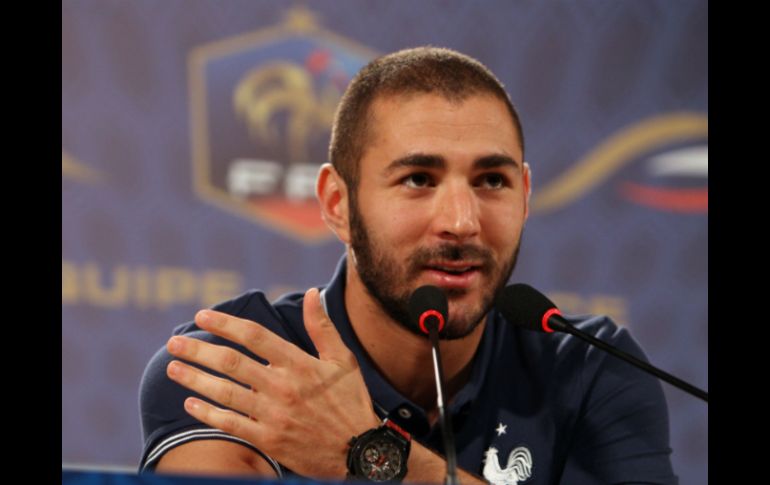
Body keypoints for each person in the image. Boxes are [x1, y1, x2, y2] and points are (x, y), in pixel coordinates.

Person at [139, 46, 677, 484]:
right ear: (337, 204)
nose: (462, 222)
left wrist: (369, 452)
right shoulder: (238, 367)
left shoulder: (590, 369)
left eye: (492, 180)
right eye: (418, 179)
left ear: (526, 195)